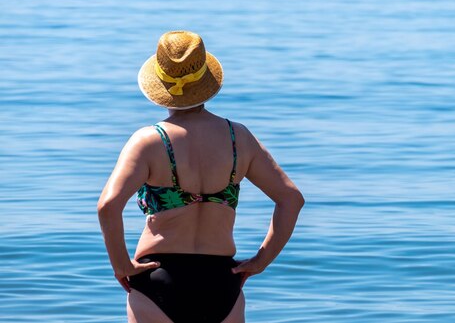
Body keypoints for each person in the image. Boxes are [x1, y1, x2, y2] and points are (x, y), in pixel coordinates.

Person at [97, 31, 305, 323]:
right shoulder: (238, 138)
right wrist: (261, 260)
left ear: (160, 85)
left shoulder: (148, 141)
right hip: (221, 281)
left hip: (157, 278)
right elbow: (291, 199)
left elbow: (108, 206)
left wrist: (121, 265)